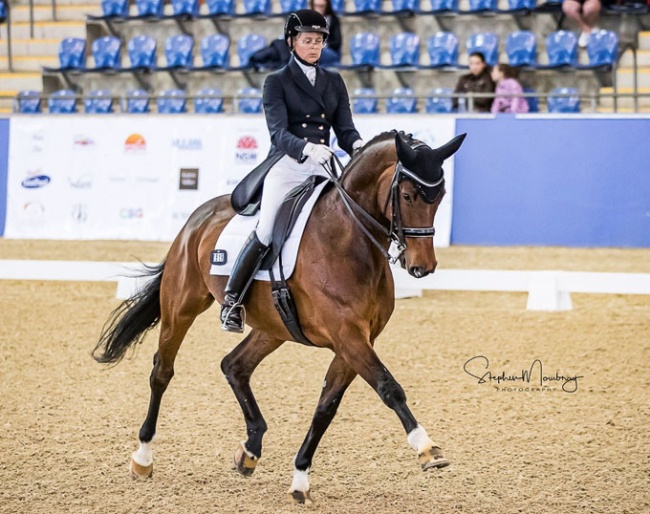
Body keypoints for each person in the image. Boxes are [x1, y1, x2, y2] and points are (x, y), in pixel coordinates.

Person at [221, 9, 364, 333]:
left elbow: (345, 127)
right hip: (288, 164)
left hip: (324, 164)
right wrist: (306, 147)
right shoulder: (276, 82)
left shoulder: (334, 80)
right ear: (292, 42)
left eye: (319, 41)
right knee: (268, 228)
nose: (314, 46)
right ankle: (233, 301)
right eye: (307, 40)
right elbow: (278, 133)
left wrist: (357, 146)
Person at [310, 0, 342, 66]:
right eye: (316, 6)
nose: (319, 9)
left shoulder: (333, 19)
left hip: (329, 51)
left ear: (326, 6)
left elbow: (337, 42)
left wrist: (323, 45)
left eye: (321, 6)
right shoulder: (308, 19)